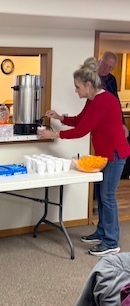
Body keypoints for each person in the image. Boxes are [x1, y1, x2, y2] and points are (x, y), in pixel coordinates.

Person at [38, 57, 130, 256]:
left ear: (88, 85)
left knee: (107, 197)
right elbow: (81, 120)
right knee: (100, 195)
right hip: (105, 155)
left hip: (115, 155)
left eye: (78, 87)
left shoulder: (103, 101)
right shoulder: (93, 100)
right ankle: (102, 232)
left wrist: (53, 134)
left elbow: (82, 130)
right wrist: (60, 118)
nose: (76, 90)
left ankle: (111, 241)